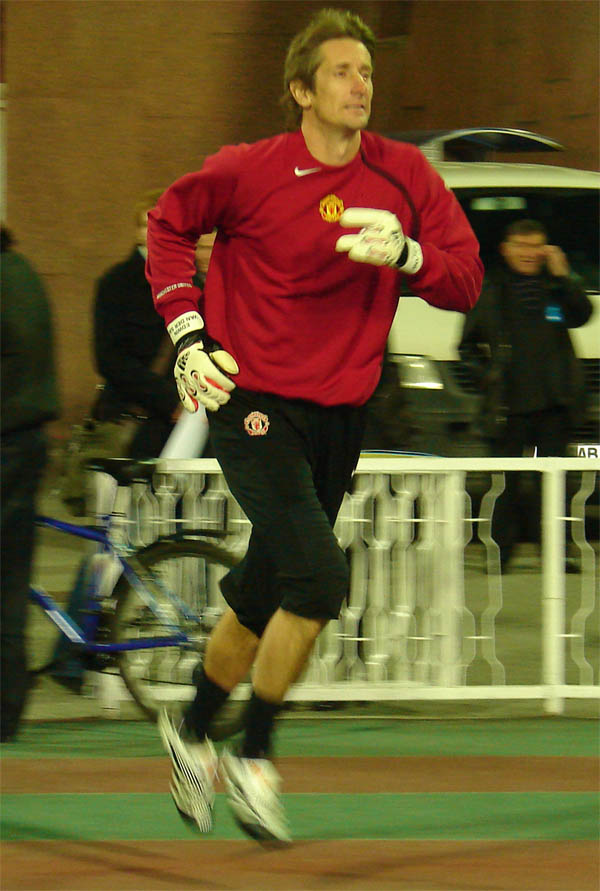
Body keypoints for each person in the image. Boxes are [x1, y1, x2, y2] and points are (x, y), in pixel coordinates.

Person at [146, 7, 483, 843]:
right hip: (252, 402)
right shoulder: (248, 169)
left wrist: (411, 256)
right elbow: (166, 225)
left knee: (267, 589)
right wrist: (187, 332)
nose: (359, 84)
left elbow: (466, 281)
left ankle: (191, 728)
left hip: (340, 416)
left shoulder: (405, 175)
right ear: (301, 90)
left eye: (366, 71)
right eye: (340, 71)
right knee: (321, 579)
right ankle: (255, 753)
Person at [458, 218, 593, 570]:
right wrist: (488, 377)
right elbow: (466, 348)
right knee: (505, 484)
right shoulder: (489, 291)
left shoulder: (554, 287)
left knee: (555, 485)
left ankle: (557, 554)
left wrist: (564, 276)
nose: (529, 253)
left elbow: (582, 315)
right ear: (506, 249)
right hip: (508, 406)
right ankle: (500, 554)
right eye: (522, 246)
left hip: (554, 405)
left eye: (536, 246)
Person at [1, 226, 61, 741]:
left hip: (5, 443)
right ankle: (7, 708)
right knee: (11, 581)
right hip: (27, 441)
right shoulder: (22, 272)